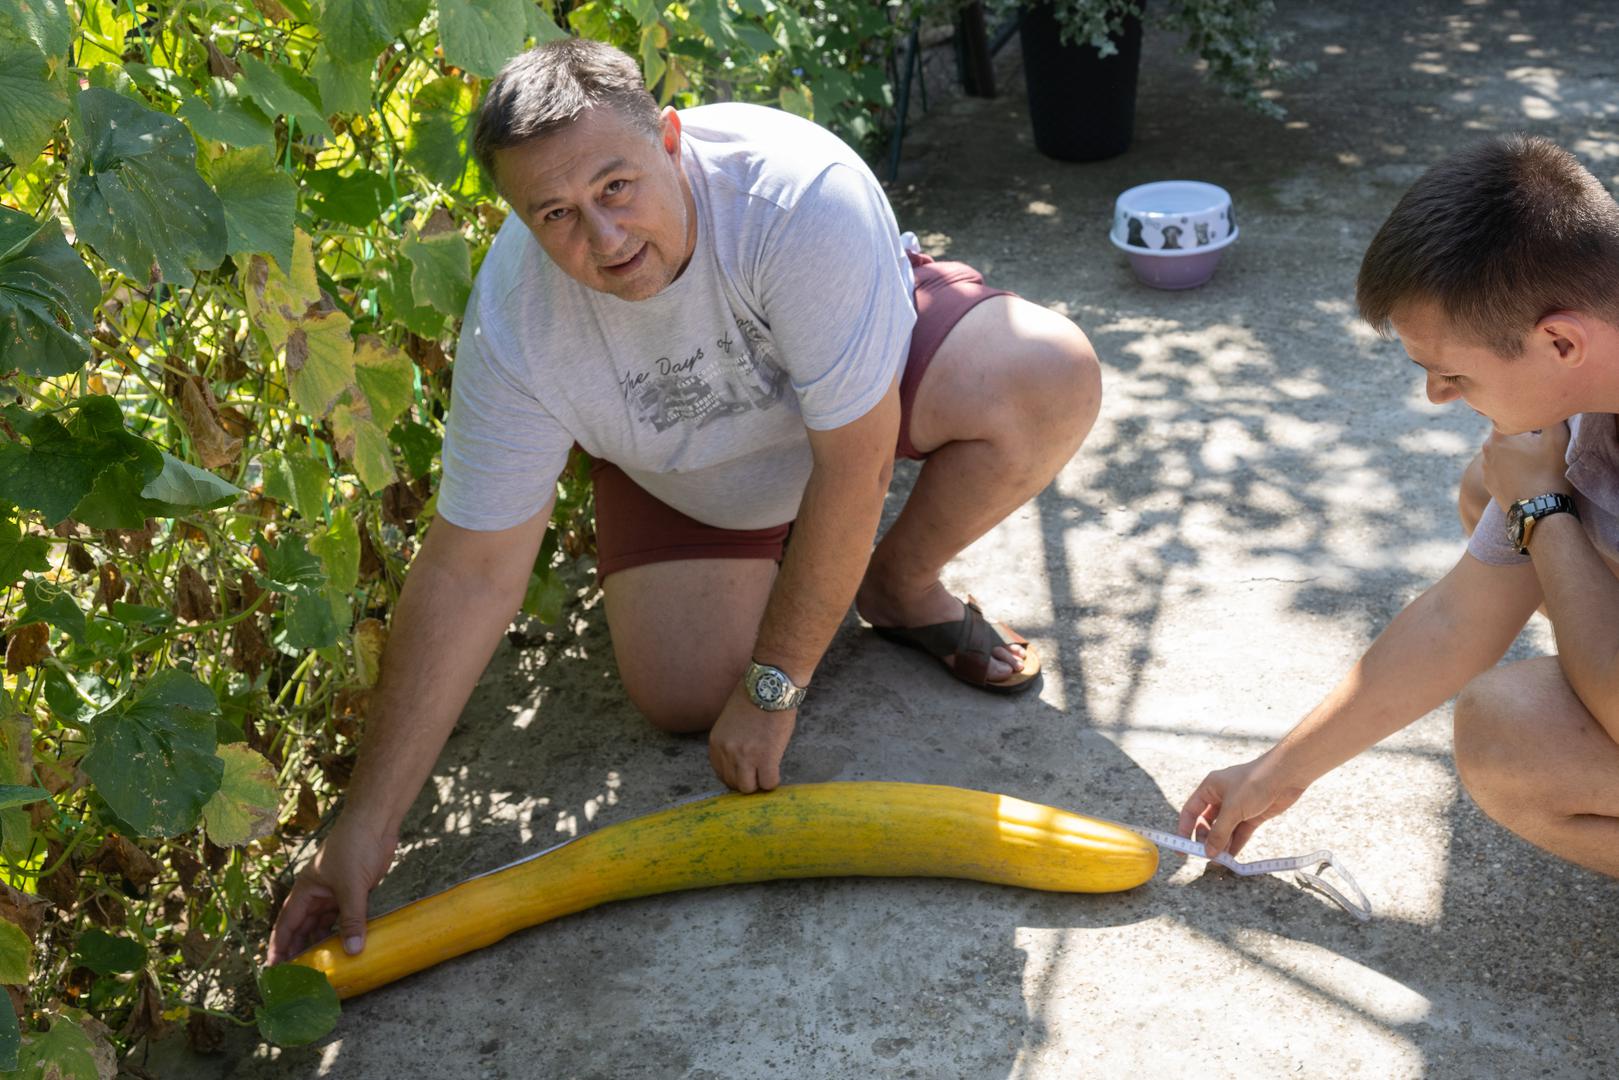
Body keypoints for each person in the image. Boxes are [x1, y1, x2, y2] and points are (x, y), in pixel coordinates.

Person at [267, 39, 1102, 964]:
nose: (604, 239)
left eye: (615, 187)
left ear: (669, 138)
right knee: (686, 697)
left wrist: (777, 682)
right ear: (517, 218)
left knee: (1045, 375)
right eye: (556, 214)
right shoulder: (516, 321)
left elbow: (854, 466)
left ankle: (898, 583)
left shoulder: (796, 197)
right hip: (683, 460)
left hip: (851, 407)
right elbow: (470, 572)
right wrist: (365, 824)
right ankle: (776, 556)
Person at [1178, 134, 1619, 880]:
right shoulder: (1581, 389)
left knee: (1509, 734)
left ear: (1560, 342)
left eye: (1450, 373)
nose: (1435, 395)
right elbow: (1457, 617)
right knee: (1491, 488)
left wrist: (1544, 513)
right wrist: (1278, 769)